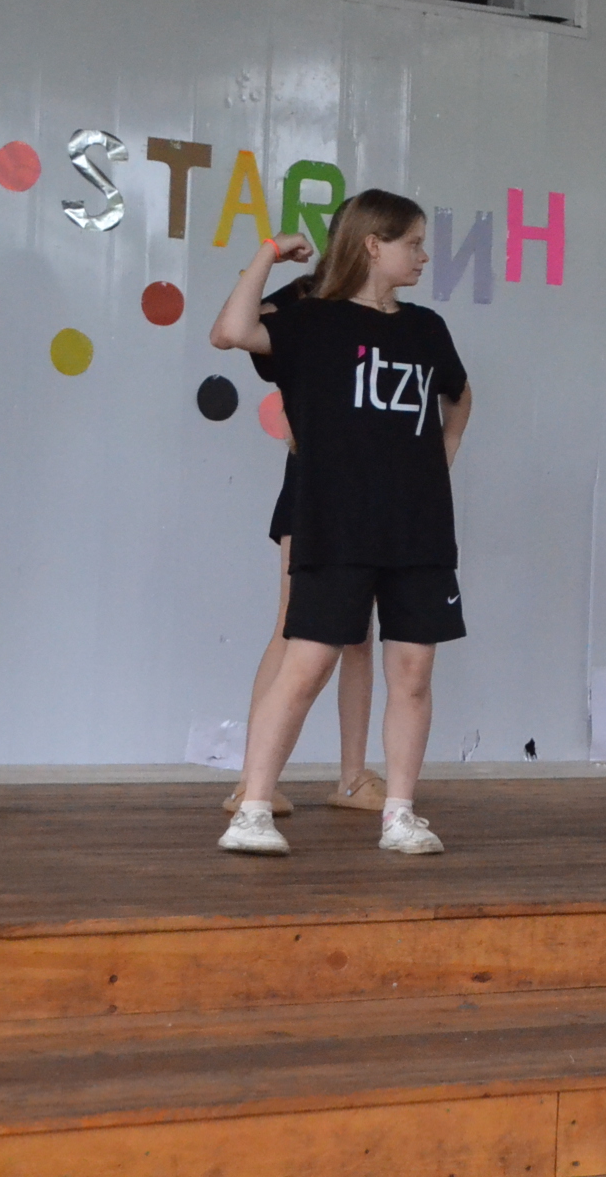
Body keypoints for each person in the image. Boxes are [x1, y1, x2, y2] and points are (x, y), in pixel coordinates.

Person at [209, 193, 471, 857]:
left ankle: (400, 813)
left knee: (413, 671)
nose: (424, 255)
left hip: (417, 529)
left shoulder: (427, 327)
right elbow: (232, 330)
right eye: (413, 243)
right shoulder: (313, 319)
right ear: (373, 245)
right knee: (307, 663)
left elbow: (458, 394)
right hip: (336, 523)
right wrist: (270, 253)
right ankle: (252, 808)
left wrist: (437, 461)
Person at [222, 254, 383, 820]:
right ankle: (251, 782)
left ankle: (353, 776)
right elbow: (237, 327)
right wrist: (268, 253)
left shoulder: (388, 313)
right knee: (293, 626)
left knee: (359, 636)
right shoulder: (306, 299)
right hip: (314, 489)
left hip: (368, 491)